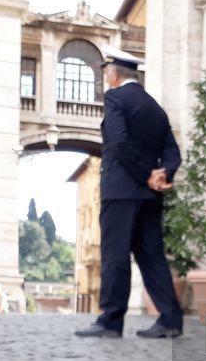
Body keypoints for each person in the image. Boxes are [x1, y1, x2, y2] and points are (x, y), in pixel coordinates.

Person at [75, 46, 184, 339]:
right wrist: (164, 175)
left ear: (113, 72)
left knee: (116, 255)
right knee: (152, 256)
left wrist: (145, 175)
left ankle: (111, 321)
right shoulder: (154, 106)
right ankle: (171, 319)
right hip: (150, 197)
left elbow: (119, 143)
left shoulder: (115, 98)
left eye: (105, 71)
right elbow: (173, 153)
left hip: (121, 191)